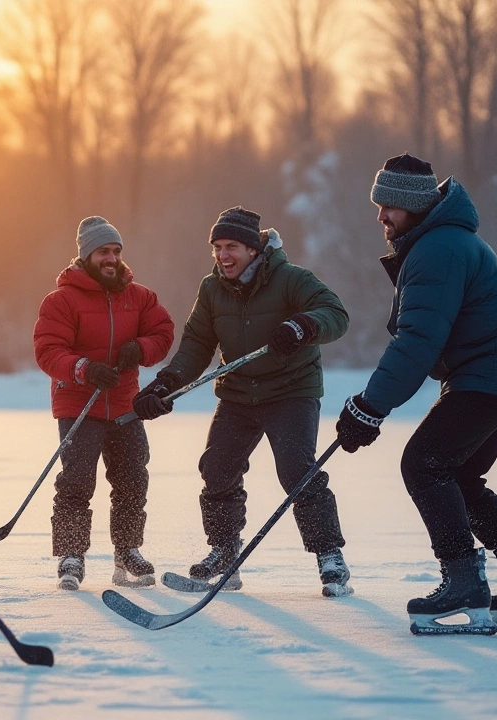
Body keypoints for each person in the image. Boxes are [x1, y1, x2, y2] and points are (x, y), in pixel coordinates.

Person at [335, 154, 497, 635]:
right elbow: (420, 338)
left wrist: (369, 406)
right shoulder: (439, 241)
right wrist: (371, 406)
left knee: (423, 463)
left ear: (416, 206)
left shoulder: (438, 249)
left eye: (391, 207)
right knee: (459, 475)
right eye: (379, 205)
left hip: (494, 374)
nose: (381, 216)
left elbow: (416, 342)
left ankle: (464, 582)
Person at [133, 207, 352, 596]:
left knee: (296, 470)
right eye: (216, 247)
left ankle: (329, 555)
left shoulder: (291, 278)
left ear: (254, 248)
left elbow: (335, 313)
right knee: (217, 467)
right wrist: (166, 382)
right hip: (237, 394)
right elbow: (198, 343)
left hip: (291, 391)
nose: (222, 256)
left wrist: (303, 325)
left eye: (231, 246)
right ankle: (224, 553)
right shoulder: (212, 288)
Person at [33, 217, 175, 590]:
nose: (111, 258)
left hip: (126, 405)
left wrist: (140, 349)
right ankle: (71, 555)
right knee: (76, 483)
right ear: (86, 256)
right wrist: (84, 368)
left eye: (115, 251)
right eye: (103, 252)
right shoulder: (61, 300)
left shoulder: (139, 296)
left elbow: (163, 333)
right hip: (79, 405)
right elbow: (48, 351)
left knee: (131, 481)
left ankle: (127, 552)